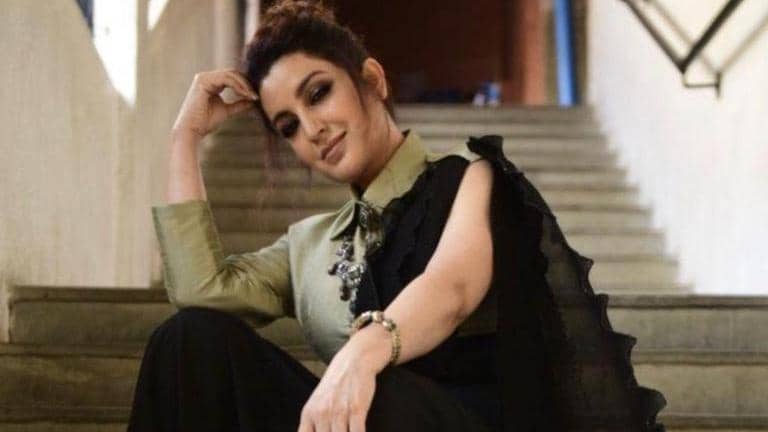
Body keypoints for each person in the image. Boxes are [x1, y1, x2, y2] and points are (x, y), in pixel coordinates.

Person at [126, 1, 667, 431]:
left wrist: (360, 355)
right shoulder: (309, 244)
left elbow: (451, 288)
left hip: (452, 420)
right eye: (288, 126)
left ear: (372, 80)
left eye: (319, 94)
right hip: (360, 421)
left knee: (387, 395)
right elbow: (200, 290)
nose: (312, 129)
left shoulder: (472, 179)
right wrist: (184, 137)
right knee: (188, 339)